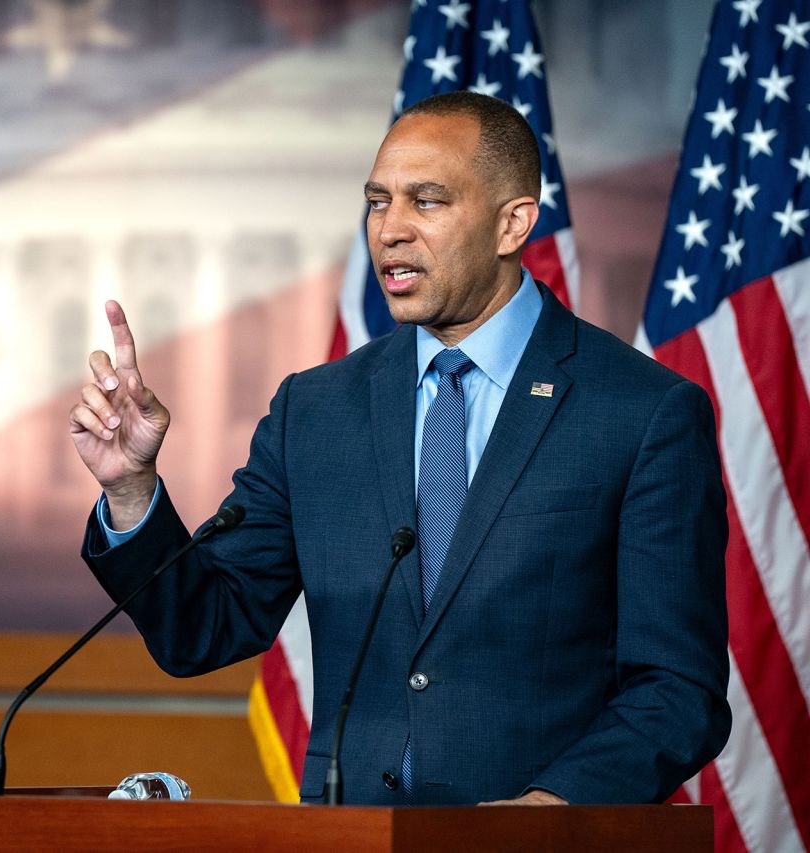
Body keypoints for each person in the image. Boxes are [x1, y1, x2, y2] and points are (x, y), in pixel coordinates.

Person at [68, 91, 730, 806]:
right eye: (378, 202)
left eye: (427, 201)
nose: (390, 230)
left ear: (513, 223)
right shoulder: (315, 410)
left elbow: (678, 688)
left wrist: (555, 806)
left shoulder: (641, 411)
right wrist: (132, 487)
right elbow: (203, 627)